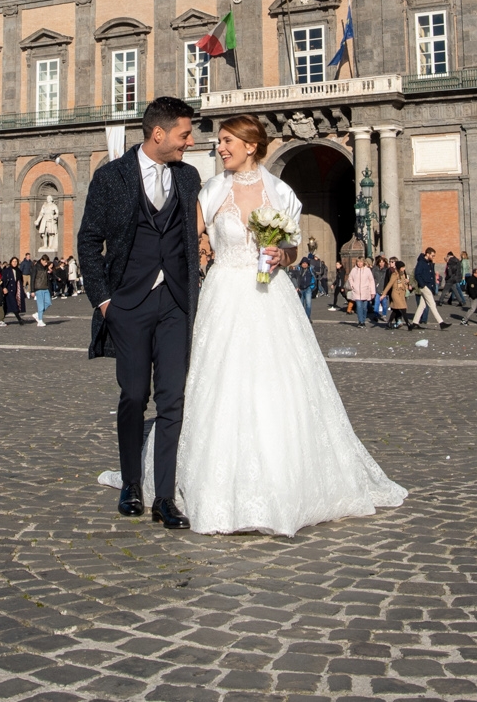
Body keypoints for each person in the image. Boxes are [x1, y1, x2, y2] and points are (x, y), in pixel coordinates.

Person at [101, 111, 406, 537]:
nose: (219, 147)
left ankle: (282, 480)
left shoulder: (280, 192)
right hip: (223, 294)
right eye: (218, 141)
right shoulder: (210, 190)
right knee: (217, 384)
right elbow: (182, 240)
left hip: (269, 298)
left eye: (227, 141)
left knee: (275, 384)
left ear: (251, 145)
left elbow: (294, 247)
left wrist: (285, 255)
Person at [80, 96, 204, 530]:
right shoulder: (111, 177)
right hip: (127, 304)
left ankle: (164, 497)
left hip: (174, 302)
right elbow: (88, 241)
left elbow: (197, 234)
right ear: (159, 134)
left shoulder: (189, 179)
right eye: (185, 134)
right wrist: (104, 301)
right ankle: (132, 482)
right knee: (134, 395)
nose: (190, 142)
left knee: (173, 398)